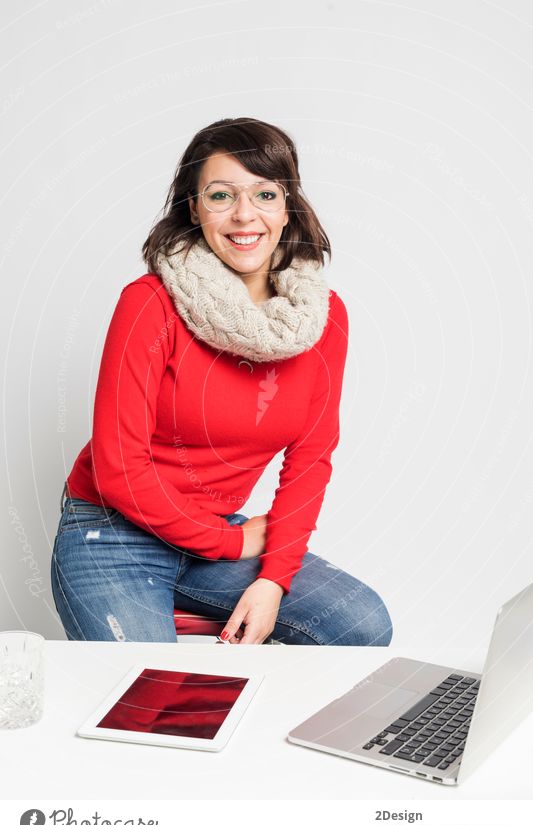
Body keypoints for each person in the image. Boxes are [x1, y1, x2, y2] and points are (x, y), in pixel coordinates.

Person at [51, 116, 393, 646]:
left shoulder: (323, 319)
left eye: (264, 193)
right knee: (150, 694)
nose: (243, 215)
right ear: (193, 208)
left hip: (213, 532)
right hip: (112, 534)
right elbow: (119, 470)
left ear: (287, 208)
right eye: (220, 195)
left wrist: (274, 580)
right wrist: (228, 544)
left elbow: (311, 458)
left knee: (363, 626)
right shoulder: (150, 304)